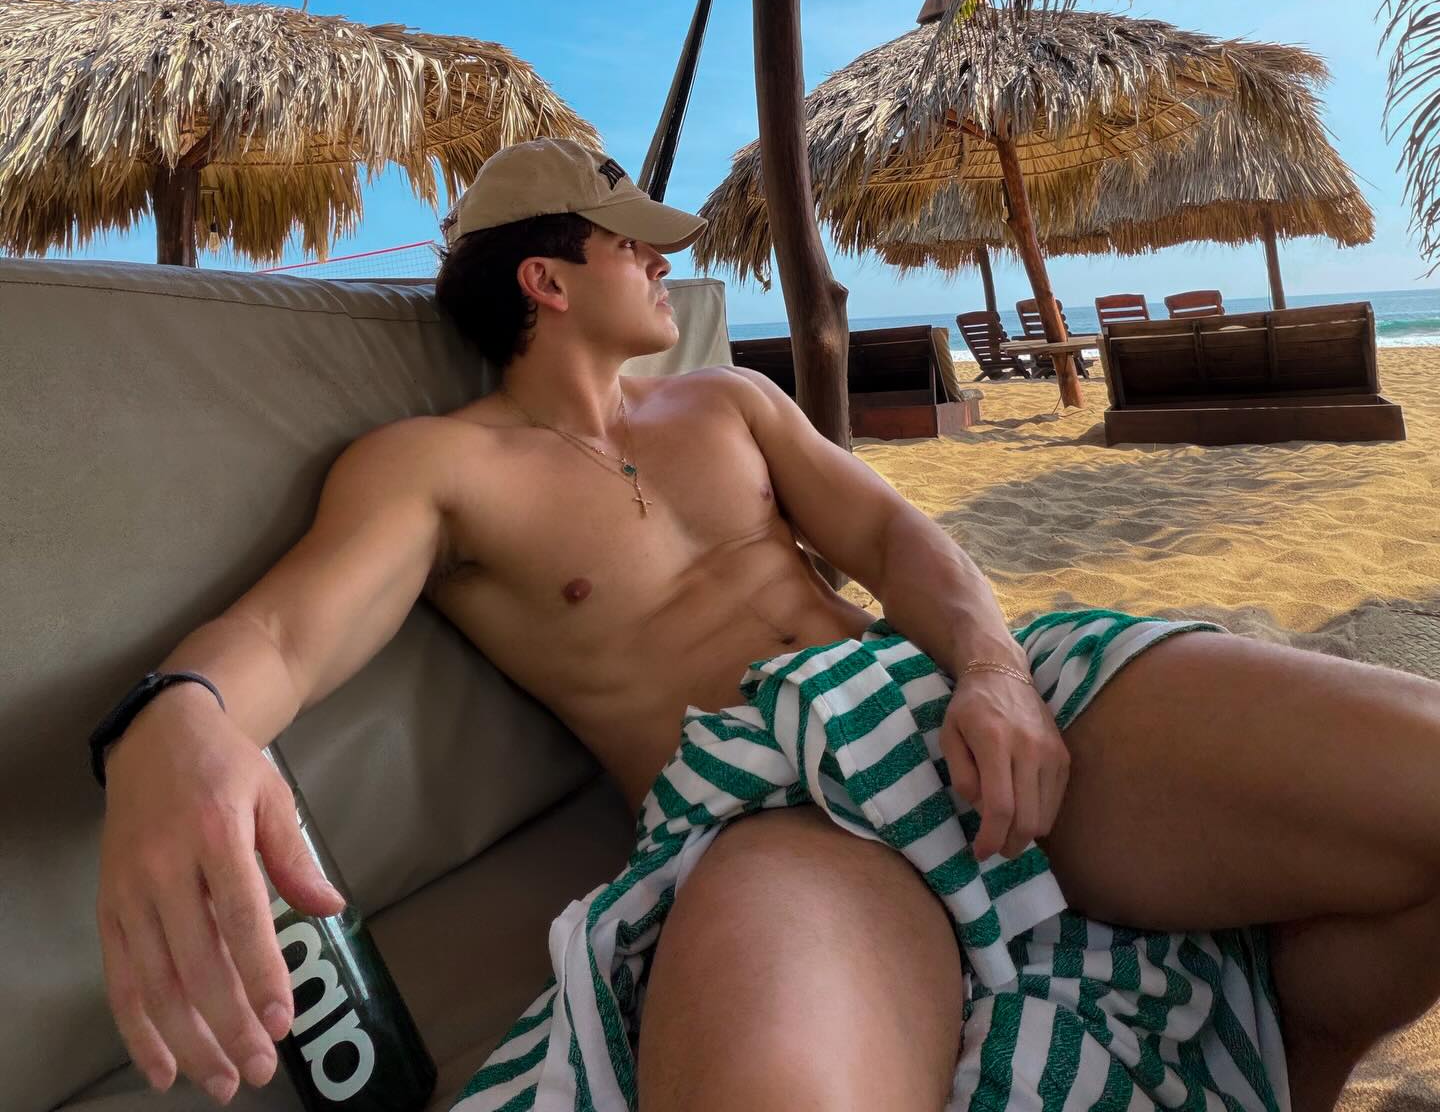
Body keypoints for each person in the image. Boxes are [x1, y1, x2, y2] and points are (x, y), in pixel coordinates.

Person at [93, 140, 1440, 1112]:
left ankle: (1288, 1062)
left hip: (959, 702)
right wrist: (178, 723)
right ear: (546, 279)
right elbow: (285, 636)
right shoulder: (438, 467)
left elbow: (894, 539)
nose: (663, 261)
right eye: (630, 242)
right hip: (777, 813)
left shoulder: (729, 401)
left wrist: (990, 669)